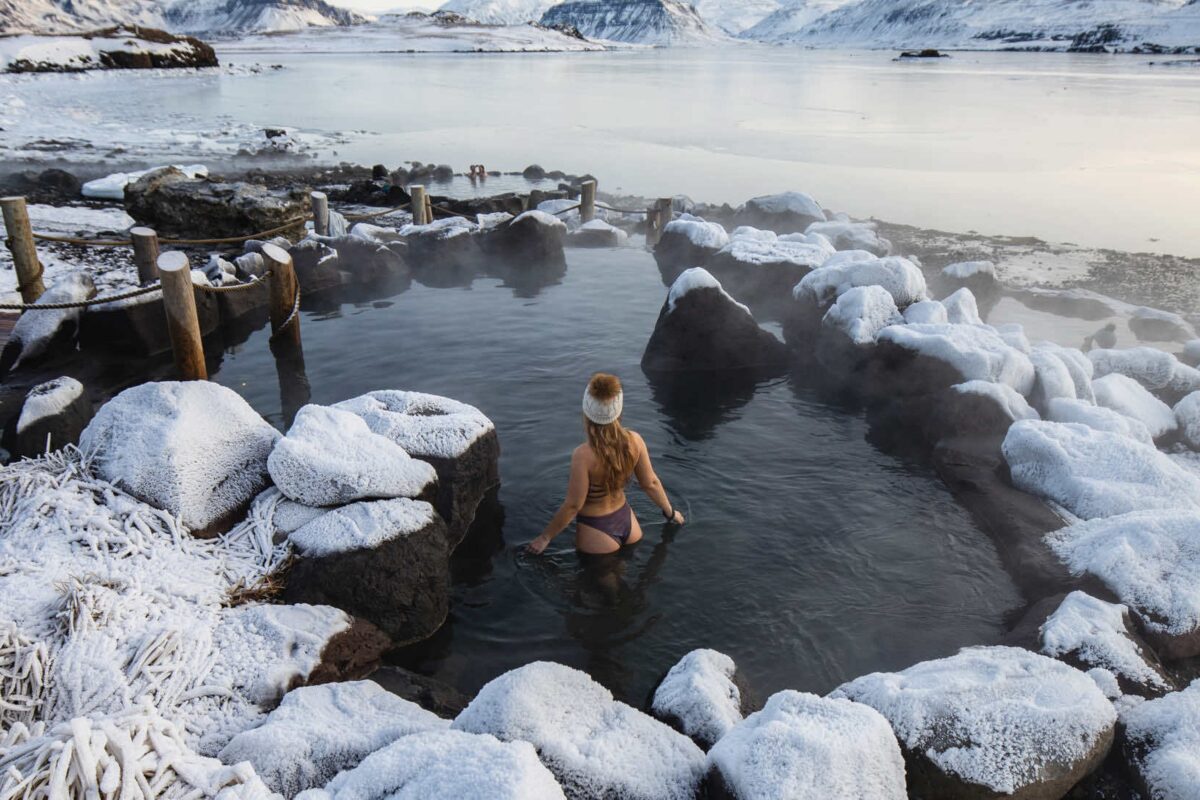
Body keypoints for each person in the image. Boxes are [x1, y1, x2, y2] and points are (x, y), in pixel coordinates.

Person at [527, 373, 684, 555]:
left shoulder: (583, 455)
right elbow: (650, 483)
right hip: (629, 524)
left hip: (596, 531)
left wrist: (545, 537)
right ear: (619, 409)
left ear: (587, 411)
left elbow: (573, 505)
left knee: (598, 582)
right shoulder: (636, 441)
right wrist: (671, 513)